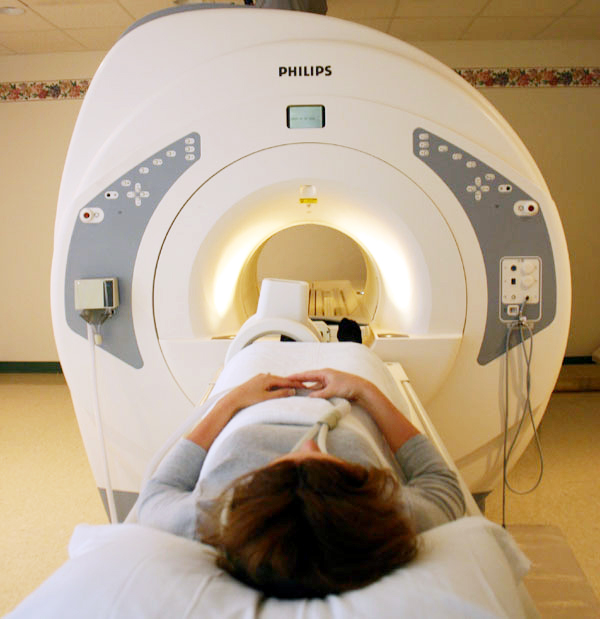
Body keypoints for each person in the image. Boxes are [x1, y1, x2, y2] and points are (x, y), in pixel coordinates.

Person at [137, 369, 465, 599]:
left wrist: (232, 400)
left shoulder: (211, 516)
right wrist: (365, 390)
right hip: (345, 394)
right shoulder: (379, 513)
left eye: (286, 463)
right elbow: (439, 482)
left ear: (251, 489)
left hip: (251, 406)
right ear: (359, 490)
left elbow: (158, 491)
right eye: (328, 461)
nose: (309, 445)